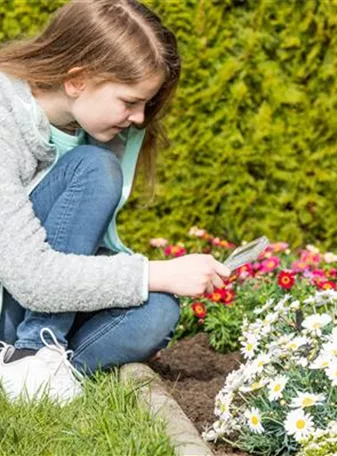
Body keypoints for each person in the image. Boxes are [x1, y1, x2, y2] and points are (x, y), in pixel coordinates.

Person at [0, 0, 230, 405]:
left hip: (33, 301)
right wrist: (153, 272)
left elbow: (73, 247)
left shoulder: (82, 126)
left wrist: (148, 282)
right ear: (77, 81)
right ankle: (31, 351)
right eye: (130, 102)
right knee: (96, 168)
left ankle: (39, 368)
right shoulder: (6, 124)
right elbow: (32, 278)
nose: (140, 118)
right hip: (18, 295)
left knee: (158, 311)